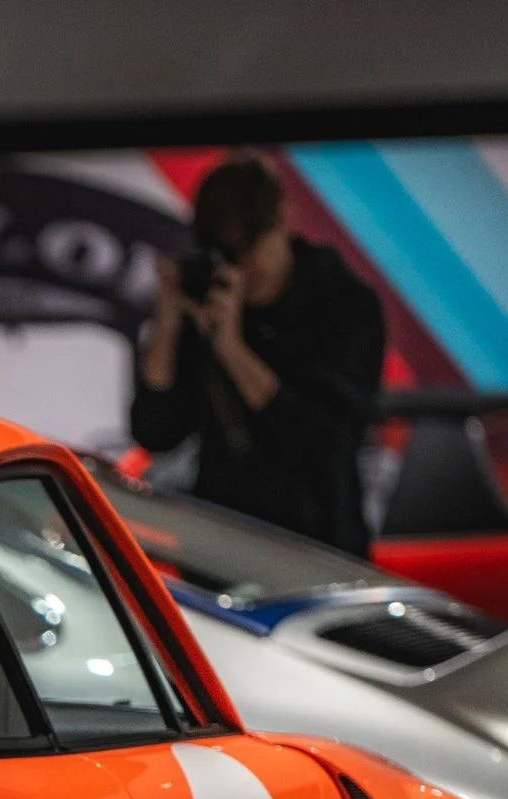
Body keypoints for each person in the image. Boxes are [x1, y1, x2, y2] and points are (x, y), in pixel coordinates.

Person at [130, 152, 386, 556]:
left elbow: (325, 440)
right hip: (223, 548)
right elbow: (155, 431)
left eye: (252, 247)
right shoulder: (211, 302)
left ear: (283, 220)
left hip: (320, 548)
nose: (244, 268)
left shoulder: (343, 304)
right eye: (230, 254)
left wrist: (232, 350)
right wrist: (167, 324)